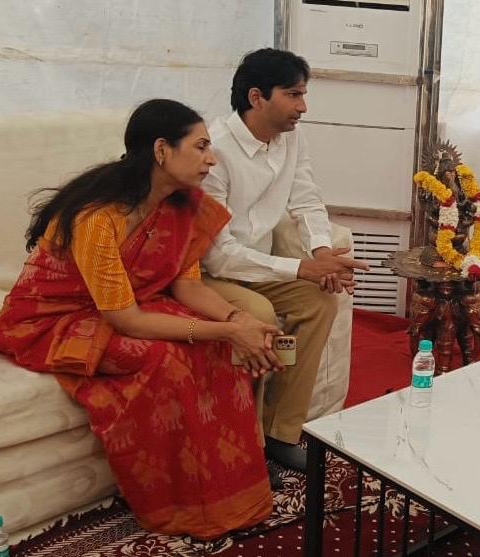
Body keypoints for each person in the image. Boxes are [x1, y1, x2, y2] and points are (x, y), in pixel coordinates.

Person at [0, 99, 279, 538]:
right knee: (166, 361)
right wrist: (228, 330)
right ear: (161, 150)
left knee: (219, 351)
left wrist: (239, 321)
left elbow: (188, 286)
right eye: (200, 147)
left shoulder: (181, 206)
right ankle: (175, 507)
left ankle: (232, 497)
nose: (211, 159)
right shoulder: (98, 216)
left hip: (130, 304)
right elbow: (126, 320)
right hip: (56, 317)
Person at [201, 48, 369, 471]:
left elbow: (306, 199)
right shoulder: (214, 151)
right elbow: (217, 255)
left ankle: (280, 432)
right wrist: (301, 268)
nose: (303, 107)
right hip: (208, 275)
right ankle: (247, 444)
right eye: (293, 95)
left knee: (319, 302)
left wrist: (322, 252)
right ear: (256, 97)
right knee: (259, 313)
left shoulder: (291, 137)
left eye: (303, 94)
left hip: (260, 266)